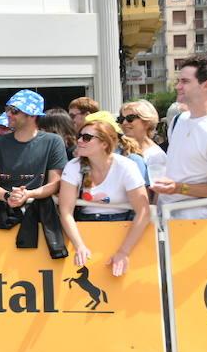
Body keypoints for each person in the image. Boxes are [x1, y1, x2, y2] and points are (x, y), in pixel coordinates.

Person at [57, 117, 150, 276]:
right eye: (79, 135)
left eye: (86, 137)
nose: (79, 140)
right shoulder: (73, 166)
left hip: (123, 225)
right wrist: (79, 245)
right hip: (85, 225)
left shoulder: (126, 166)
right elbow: (65, 211)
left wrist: (123, 252)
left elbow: (143, 211)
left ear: (104, 144)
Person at [151, 58, 207, 220]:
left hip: (196, 224)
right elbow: (172, 171)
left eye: (185, 81)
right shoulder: (179, 120)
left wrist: (179, 188)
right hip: (166, 217)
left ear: (206, 85)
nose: (178, 87)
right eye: (179, 81)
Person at [0, 91, 67, 217]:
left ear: (32, 115)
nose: (8, 114)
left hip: (40, 215)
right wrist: (8, 196)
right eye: (7, 109)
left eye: (15, 110)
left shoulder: (53, 141)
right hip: (3, 213)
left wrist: (29, 194)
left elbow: (55, 183)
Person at [120, 100, 165, 184]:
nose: (124, 123)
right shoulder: (121, 150)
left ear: (147, 122)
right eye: (121, 119)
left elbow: (157, 192)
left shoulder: (155, 155)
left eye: (130, 118)